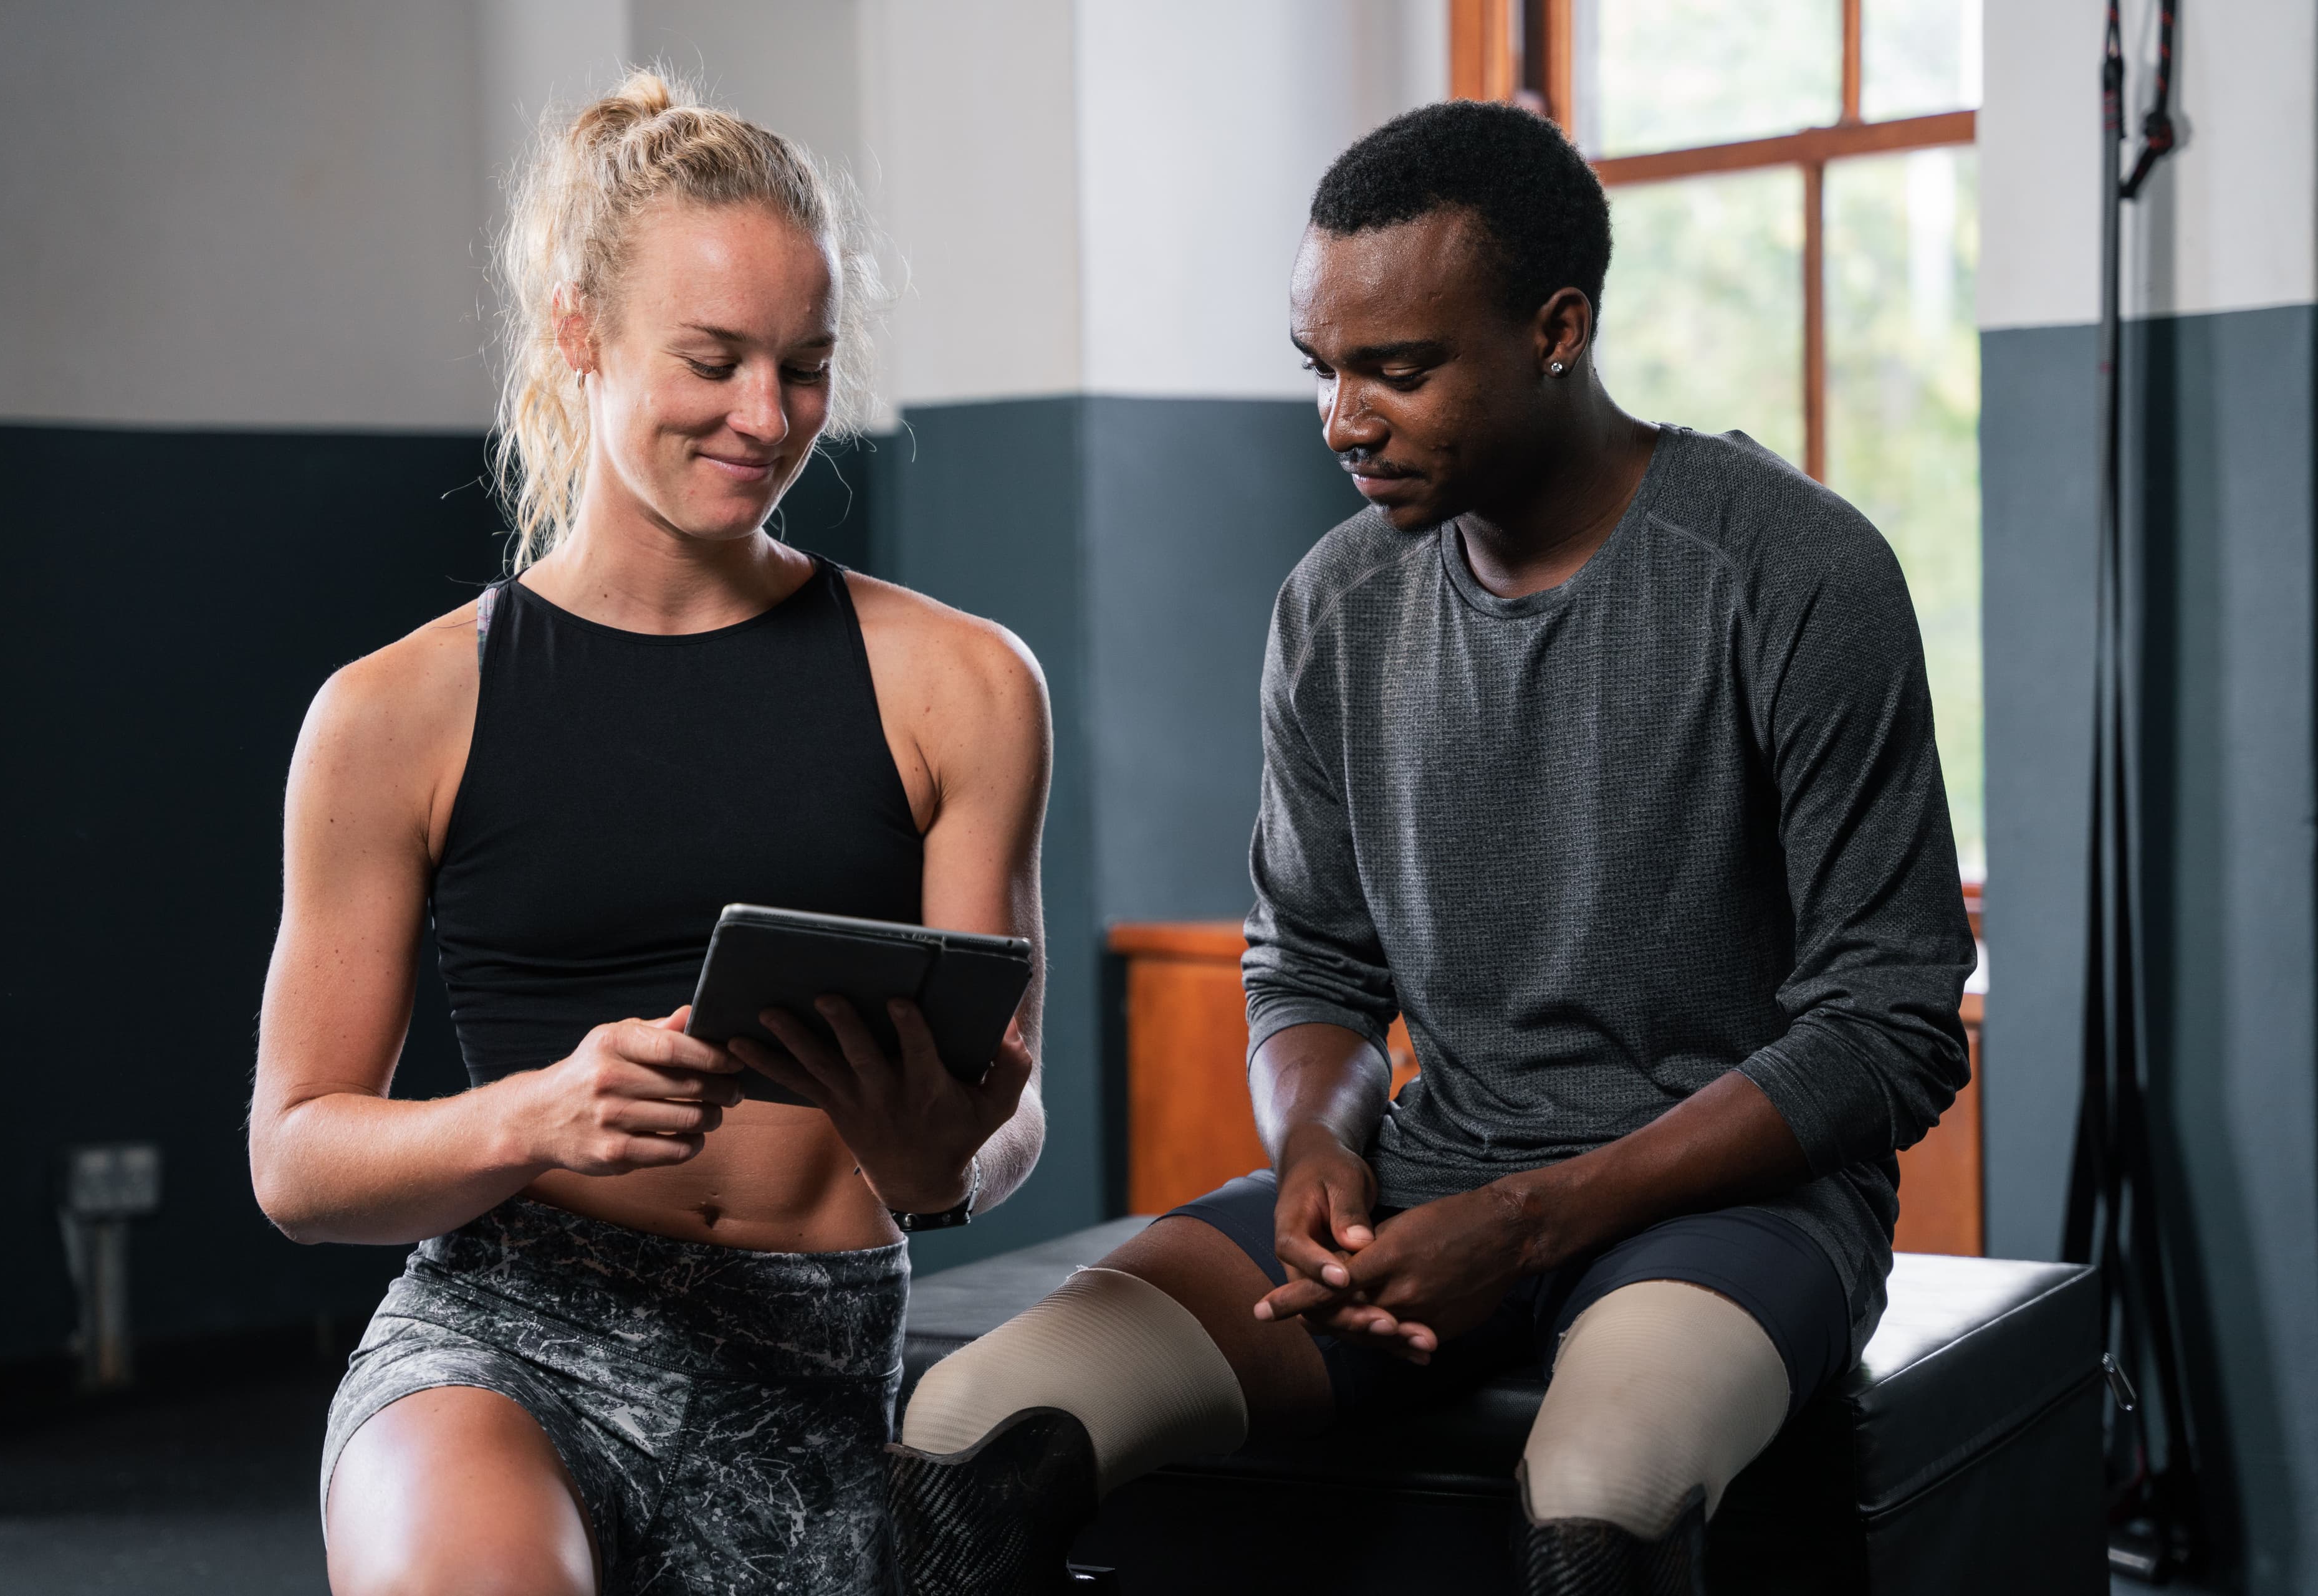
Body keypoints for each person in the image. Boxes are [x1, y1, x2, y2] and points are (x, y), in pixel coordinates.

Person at [885, 100, 1974, 1594]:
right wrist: (1321, 1146)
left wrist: (1530, 1221)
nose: (1343, 417)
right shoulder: (1335, 604)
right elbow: (1312, 965)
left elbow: (1890, 1023)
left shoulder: (1793, 568)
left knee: (1603, 1487)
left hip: (1729, 1211)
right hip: (1427, 1184)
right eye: (1321, 370)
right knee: (968, 1428)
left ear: (1559, 328)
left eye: (1396, 370)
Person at [248, 72, 1051, 1596]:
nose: (767, 416)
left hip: (811, 1355)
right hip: (514, 1326)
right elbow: (294, 1160)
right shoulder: (390, 713)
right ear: (579, 336)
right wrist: (533, 1119)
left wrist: (940, 1161)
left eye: (805, 367)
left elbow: (1008, 1117)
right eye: (714, 359)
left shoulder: (966, 684)